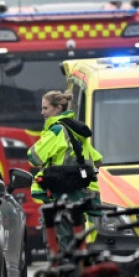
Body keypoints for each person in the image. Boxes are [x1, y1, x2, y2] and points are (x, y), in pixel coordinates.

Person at [27, 90, 103, 253]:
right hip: (78, 193)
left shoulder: (57, 131)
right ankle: (77, 274)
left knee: (58, 241)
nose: (42, 112)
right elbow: (97, 159)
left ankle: (62, 275)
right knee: (77, 237)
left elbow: (34, 157)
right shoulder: (75, 130)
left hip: (60, 193)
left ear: (58, 109)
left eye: (45, 108)